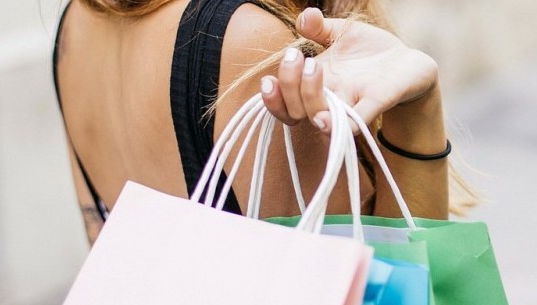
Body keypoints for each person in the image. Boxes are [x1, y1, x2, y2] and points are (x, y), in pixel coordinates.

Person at [53, 0, 470, 245]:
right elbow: (390, 299)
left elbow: (104, 241)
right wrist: (420, 110)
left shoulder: (77, 21)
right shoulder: (248, 42)